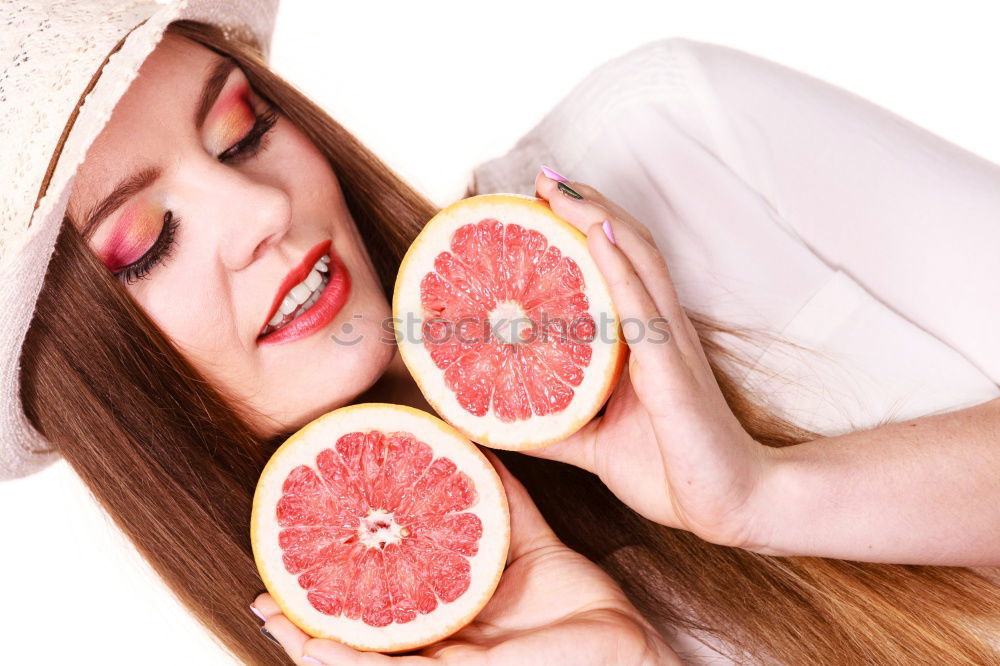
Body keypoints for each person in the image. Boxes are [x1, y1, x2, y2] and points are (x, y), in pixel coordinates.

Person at [2, 1, 997, 664]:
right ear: (103, 391)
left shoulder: (659, 142)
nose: (259, 211)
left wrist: (763, 496)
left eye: (244, 131)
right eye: (146, 245)